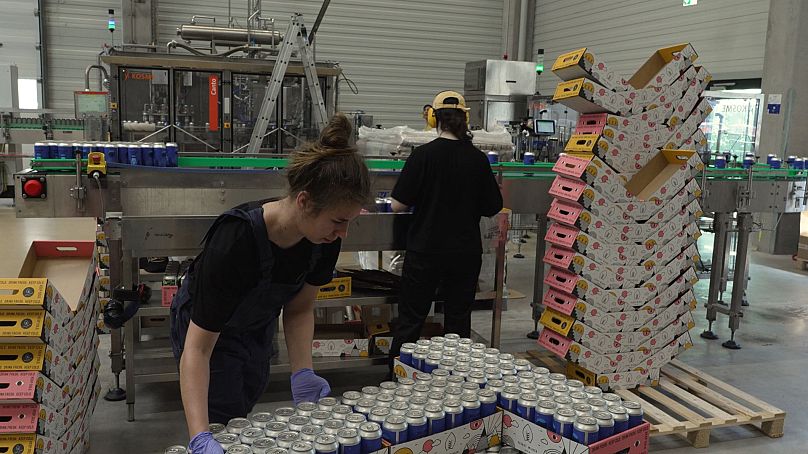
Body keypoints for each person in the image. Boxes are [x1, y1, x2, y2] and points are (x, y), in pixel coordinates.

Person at [169, 114, 371, 453]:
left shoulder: (323, 240)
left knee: (243, 408)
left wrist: (302, 371)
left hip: (256, 328)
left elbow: (299, 309)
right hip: (206, 334)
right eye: (338, 221)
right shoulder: (236, 241)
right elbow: (198, 347)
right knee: (219, 419)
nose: (343, 233)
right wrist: (199, 435)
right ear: (304, 201)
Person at [389, 90, 503, 366]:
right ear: (465, 120)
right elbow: (493, 206)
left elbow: (397, 205)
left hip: (425, 250)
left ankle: (398, 377)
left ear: (433, 119)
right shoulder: (478, 159)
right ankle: (454, 381)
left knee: (412, 318)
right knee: (458, 319)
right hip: (464, 253)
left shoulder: (422, 156)